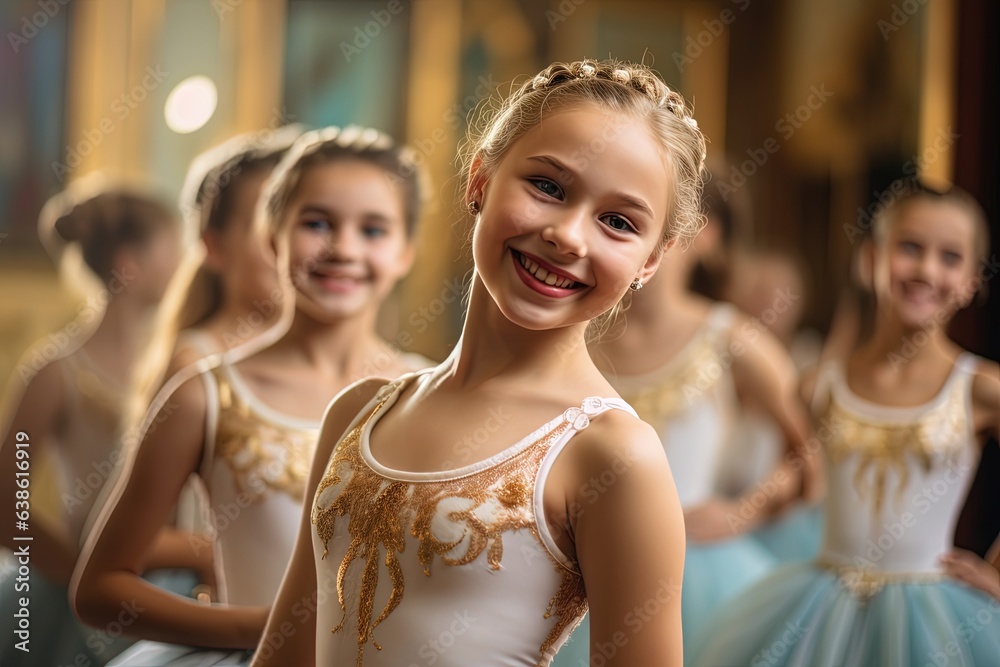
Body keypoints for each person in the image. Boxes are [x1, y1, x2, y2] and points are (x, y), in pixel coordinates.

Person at [251, 58, 706, 667]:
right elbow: (284, 654)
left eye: (618, 222)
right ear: (480, 180)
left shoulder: (613, 455)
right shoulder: (356, 414)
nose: (569, 236)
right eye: (548, 187)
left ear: (652, 260)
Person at [71, 126, 431, 666]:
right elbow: (99, 589)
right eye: (316, 223)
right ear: (272, 238)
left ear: (407, 251)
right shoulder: (203, 393)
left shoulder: (430, 394)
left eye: (374, 229)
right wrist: (268, 627)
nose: (344, 249)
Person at [690, 179, 1000, 666]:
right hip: (818, 606)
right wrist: (738, 514)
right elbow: (799, 474)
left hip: (933, 612)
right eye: (910, 248)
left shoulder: (980, 388)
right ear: (871, 258)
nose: (926, 269)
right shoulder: (820, 385)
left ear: (972, 281)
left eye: (950, 258)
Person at [557, 166, 817, 663]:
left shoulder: (731, 339)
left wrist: (743, 512)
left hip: (700, 568)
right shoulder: (578, 333)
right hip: (585, 568)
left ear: (706, 235)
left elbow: (808, 456)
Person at [0, 183, 183, 666]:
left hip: (174, 580)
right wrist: (75, 572)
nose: (185, 262)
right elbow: (4, 499)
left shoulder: (182, 364)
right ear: (130, 265)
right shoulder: (57, 372)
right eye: (173, 249)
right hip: (83, 593)